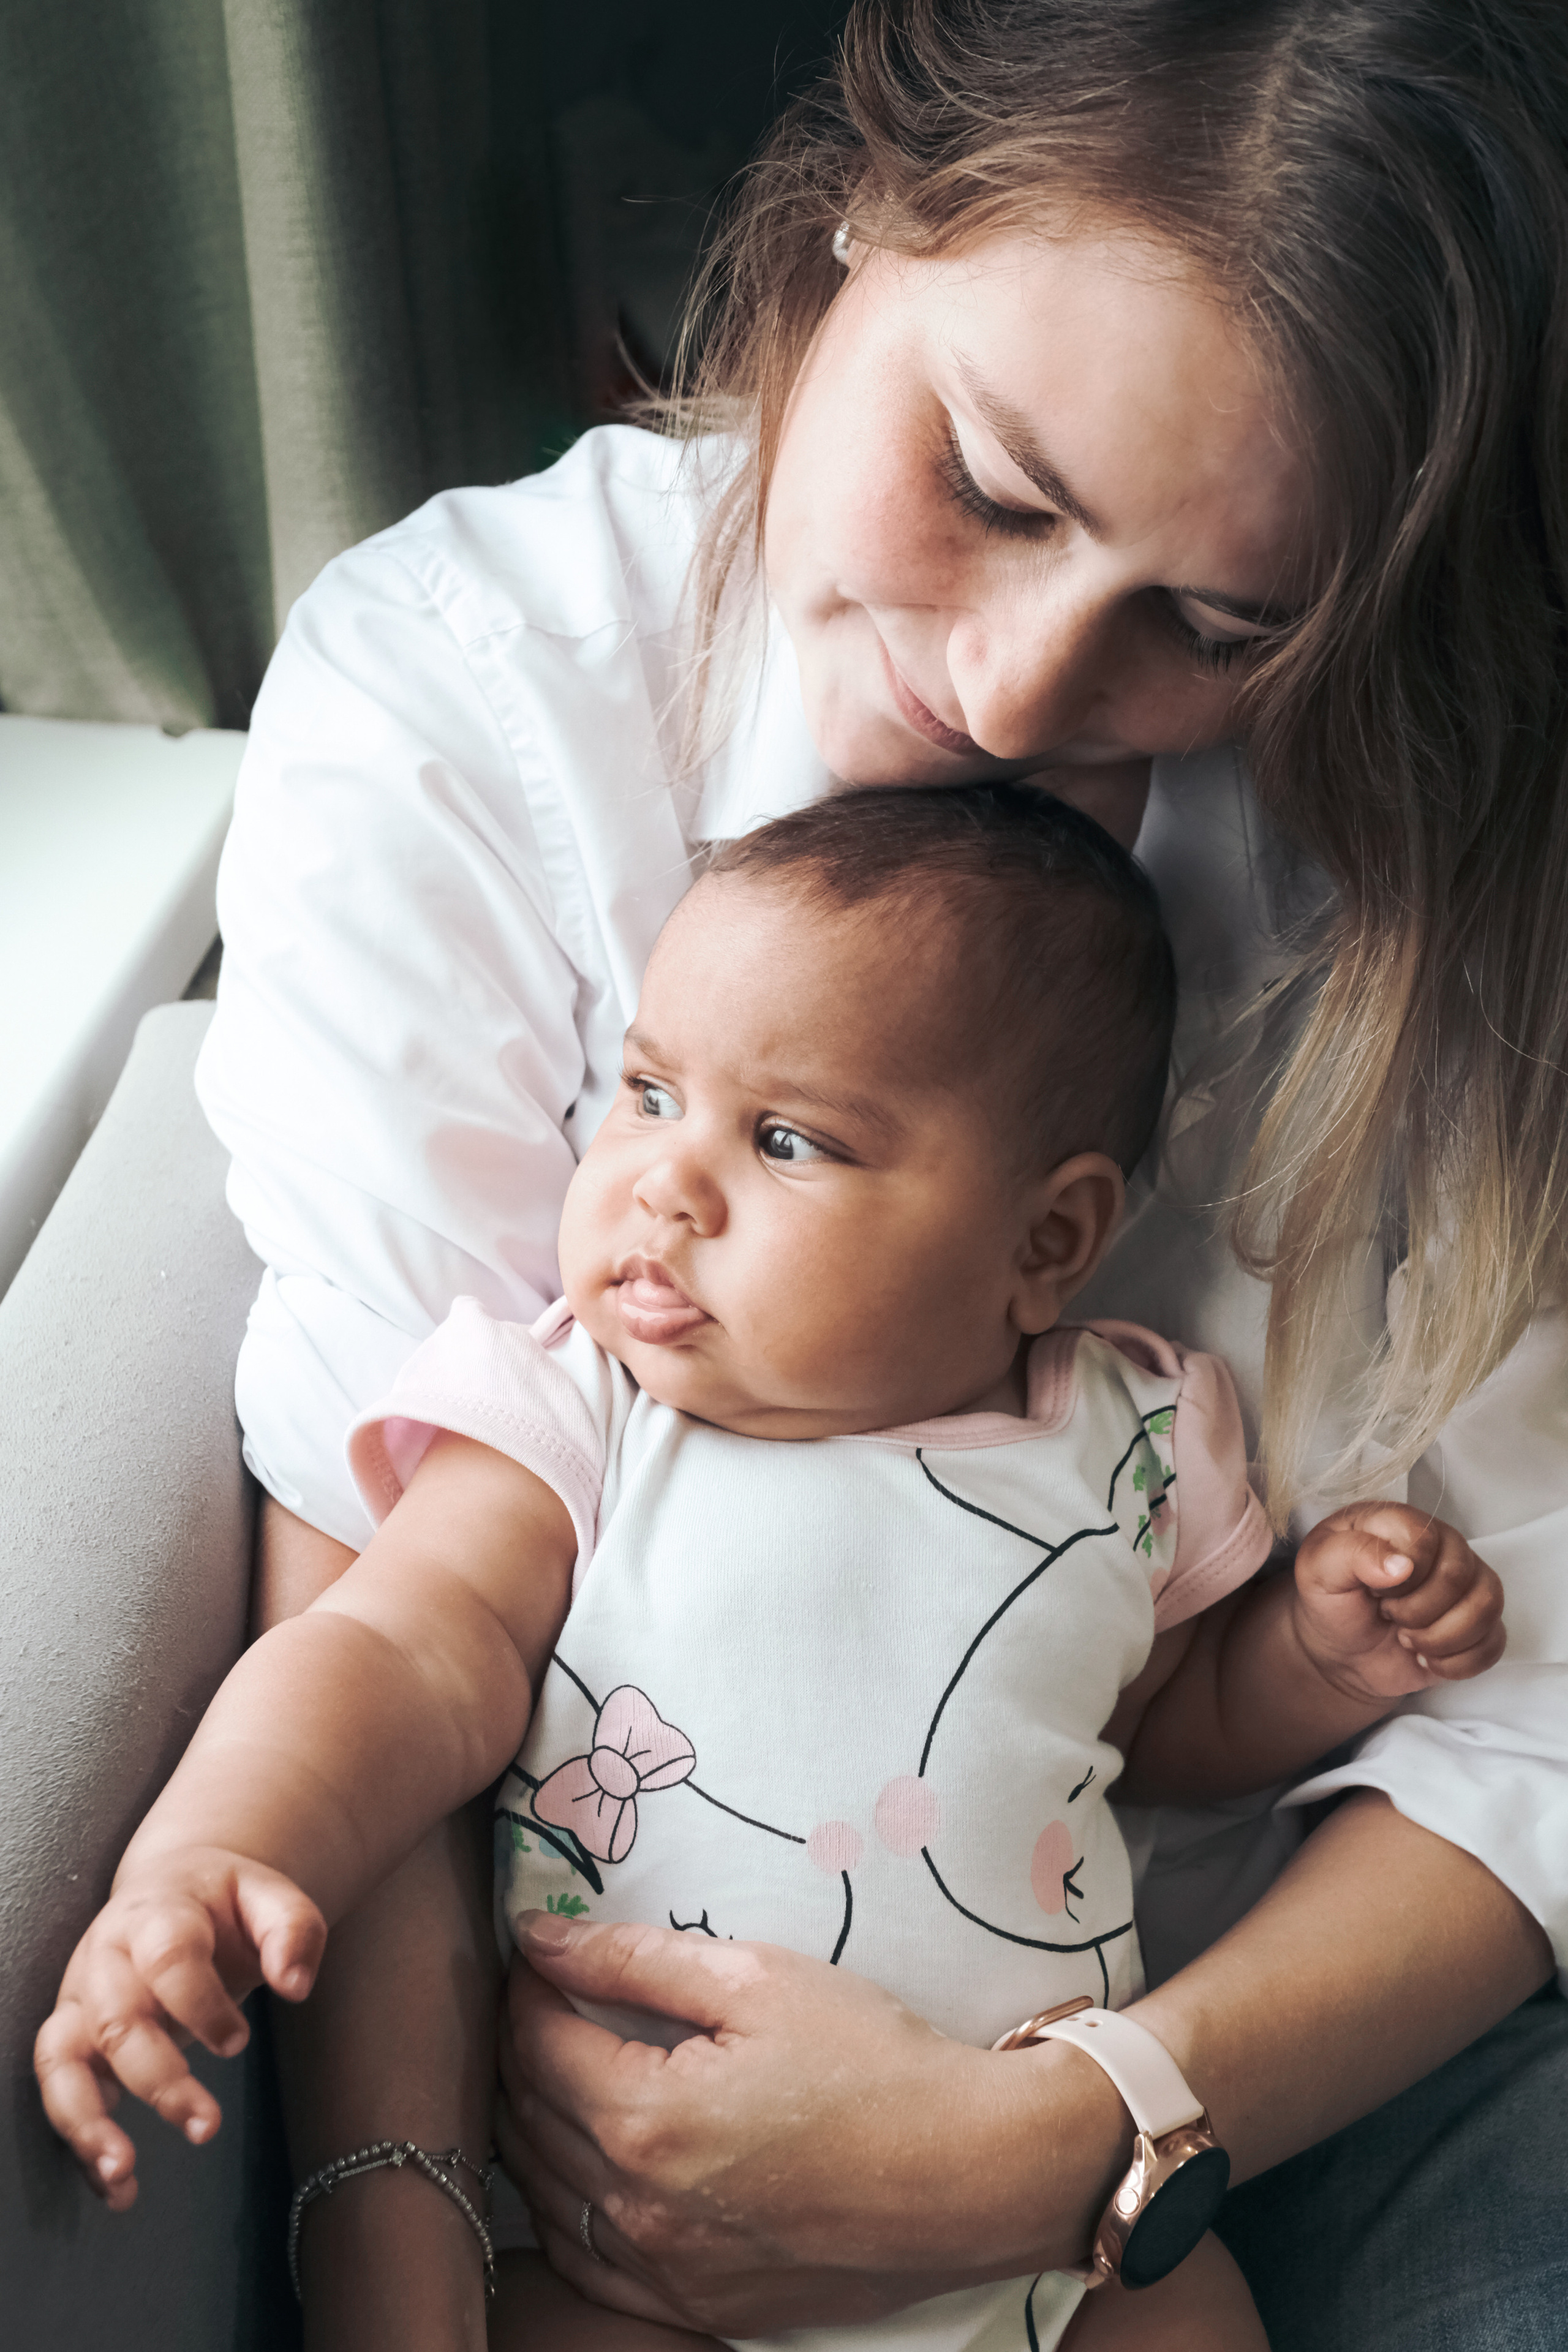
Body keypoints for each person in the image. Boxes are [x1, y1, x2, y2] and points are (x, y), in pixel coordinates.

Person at [47, 0, 1568, 2343]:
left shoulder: (1176, 1346)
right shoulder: (472, 720)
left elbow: (1410, 1714)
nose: (1022, 691)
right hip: (623, 2174)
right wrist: (377, 2186)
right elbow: (393, 1624)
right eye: (996, 482)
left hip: (1257, 2068)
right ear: (868, 207)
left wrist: (1063, 2140)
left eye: (1217, 626)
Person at [36, 787, 1509, 2352]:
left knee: (1196, 2321)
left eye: (785, 1138)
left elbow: (1155, 1729)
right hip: (631, 2242)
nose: (665, 1183)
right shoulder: (575, 1413)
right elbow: (400, 1650)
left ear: (1045, 1242)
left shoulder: (1125, 1443)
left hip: (1043, 2233)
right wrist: (211, 1848)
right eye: (649, 1092)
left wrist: (1315, 1663)